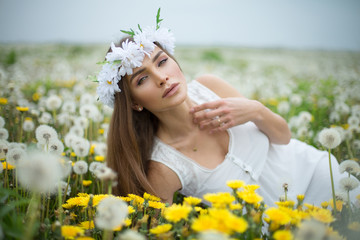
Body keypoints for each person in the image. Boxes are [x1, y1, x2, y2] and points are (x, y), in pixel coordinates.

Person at [97, 12, 359, 207]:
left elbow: (284, 137)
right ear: (134, 102)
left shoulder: (210, 86)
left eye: (162, 62)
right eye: (142, 79)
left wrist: (256, 110)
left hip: (325, 178)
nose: (162, 77)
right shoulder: (164, 168)